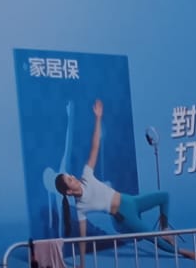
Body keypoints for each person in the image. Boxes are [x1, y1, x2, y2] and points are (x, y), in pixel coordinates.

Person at [54, 100, 171, 241]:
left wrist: (98, 118)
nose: (73, 177)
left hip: (131, 201)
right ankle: (181, 249)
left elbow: (95, 146)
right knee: (158, 241)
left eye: (71, 176)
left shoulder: (86, 176)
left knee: (164, 196)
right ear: (69, 191)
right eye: (70, 179)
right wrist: (82, 260)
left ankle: (165, 229)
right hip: (123, 216)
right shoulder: (81, 207)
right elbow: (83, 237)